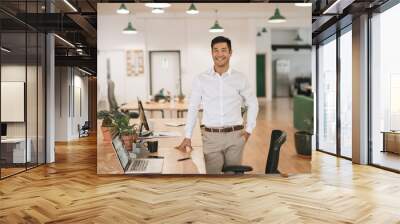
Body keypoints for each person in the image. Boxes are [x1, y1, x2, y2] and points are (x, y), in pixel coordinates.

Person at [176, 36, 259, 174]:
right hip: (211, 137)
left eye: (224, 50)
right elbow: (193, 107)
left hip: (235, 137)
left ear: (230, 52)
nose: (220, 54)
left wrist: (249, 131)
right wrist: (188, 136)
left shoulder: (240, 78)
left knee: (232, 180)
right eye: (216, 50)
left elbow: (253, 103)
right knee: (213, 182)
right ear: (211, 53)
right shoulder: (201, 79)